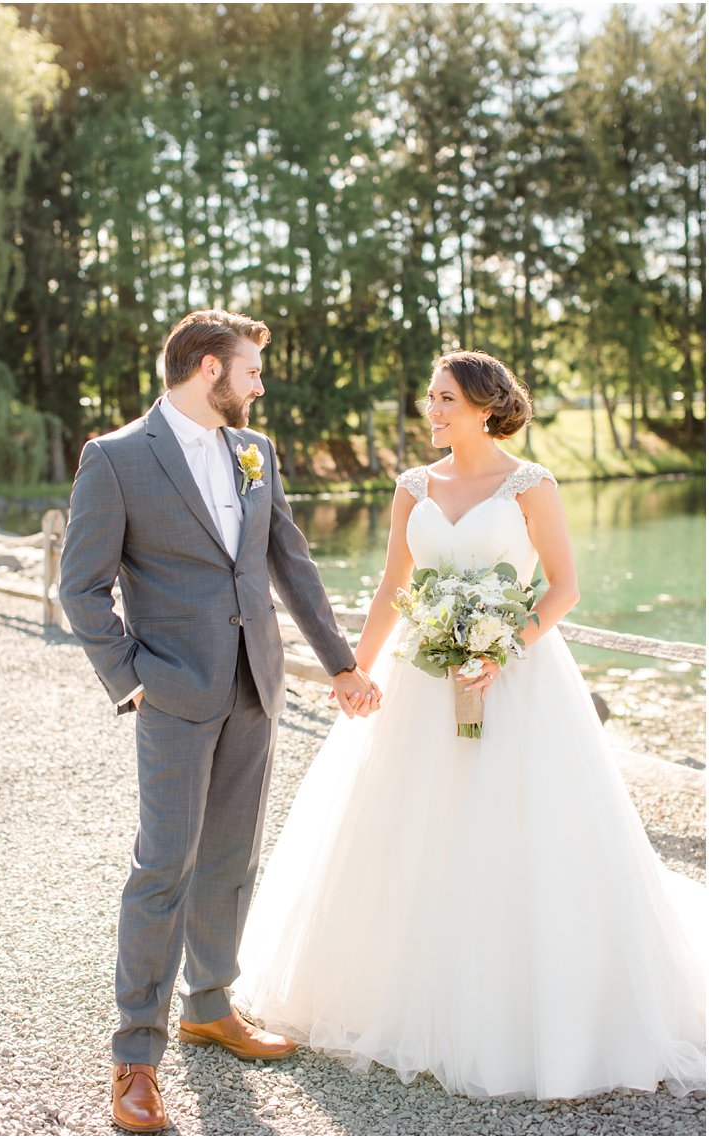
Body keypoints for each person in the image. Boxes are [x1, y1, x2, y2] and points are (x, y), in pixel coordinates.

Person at [233, 350, 706, 1099]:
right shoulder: (412, 486)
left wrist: (504, 644)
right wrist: (353, 670)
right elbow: (393, 586)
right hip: (419, 680)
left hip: (517, 681)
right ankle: (397, 996)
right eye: (430, 397)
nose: (433, 410)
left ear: (486, 405)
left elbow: (564, 586)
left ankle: (521, 1011)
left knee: (517, 830)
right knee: (408, 827)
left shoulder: (532, 485)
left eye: (446, 398)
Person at [58, 309, 379, 1134]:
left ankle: (209, 1003)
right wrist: (130, 679)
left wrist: (340, 662)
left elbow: (290, 561)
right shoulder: (118, 457)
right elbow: (81, 588)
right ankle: (135, 1056)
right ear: (208, 368)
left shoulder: (254, 451)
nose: (260, 385)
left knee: (231, 858)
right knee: (163, 863)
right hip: (171, 691)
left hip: (256, 686)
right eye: (251, 370)